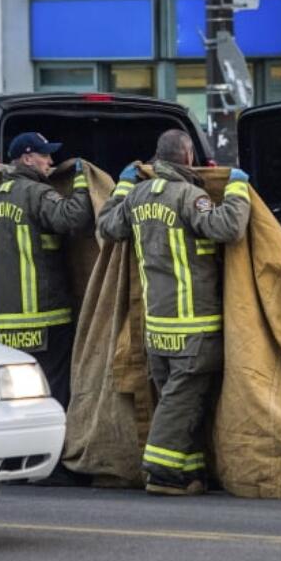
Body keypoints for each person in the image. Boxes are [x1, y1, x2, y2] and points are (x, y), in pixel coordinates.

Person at [97, 129, 251, 496]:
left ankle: (190, 472)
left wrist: (121, 186)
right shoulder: (189, 196)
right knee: (181, 400)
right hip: (194, 326)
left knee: (181, 401)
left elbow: (107, 225)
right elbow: (229, 227)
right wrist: (237, 189)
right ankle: (163, 472)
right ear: (187, 157)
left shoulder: (136, 197)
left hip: (157, 327)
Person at [0, 132, 93, 416]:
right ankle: (55, 451)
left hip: (4, 324)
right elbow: (73, 218)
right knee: (51, 391)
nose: (50, 162)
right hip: (46, 320)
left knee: (14, 393)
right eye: (45, 155)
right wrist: (82, 181)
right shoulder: (36, 193)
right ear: (28, 158)